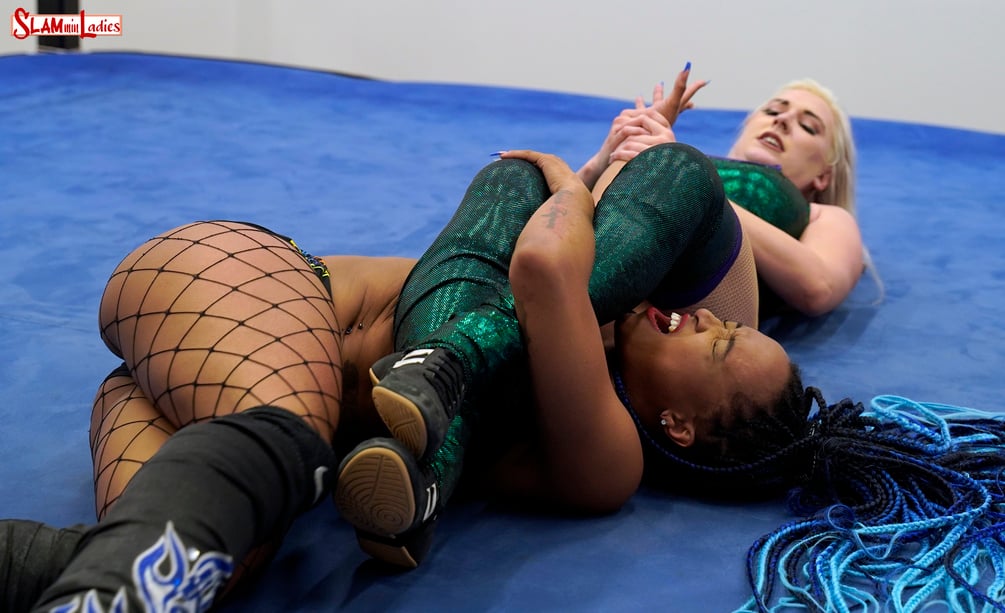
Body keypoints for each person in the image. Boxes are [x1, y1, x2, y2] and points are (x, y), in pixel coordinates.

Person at [1, 139, 796, 612]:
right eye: (722, 320)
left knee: (211, 565)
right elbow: (673, 204)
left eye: (720, 342)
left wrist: (571, 191)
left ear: (679, 427)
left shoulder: (606, 456)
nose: (703, 316)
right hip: (236, 285)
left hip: (186, 396)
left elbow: (545, 265)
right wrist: (577, 189)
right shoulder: (604, 312)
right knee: (278, 449)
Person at [577, 65, 873, 318]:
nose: (781, 120)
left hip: (693, 299)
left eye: (808, 126)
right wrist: (604, 159)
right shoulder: (683, 161)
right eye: (772, 111)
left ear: (824, 175)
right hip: (600, 271)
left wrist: (684, 177)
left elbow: (818, 287)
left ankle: (567, 305)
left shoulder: (823, 216)